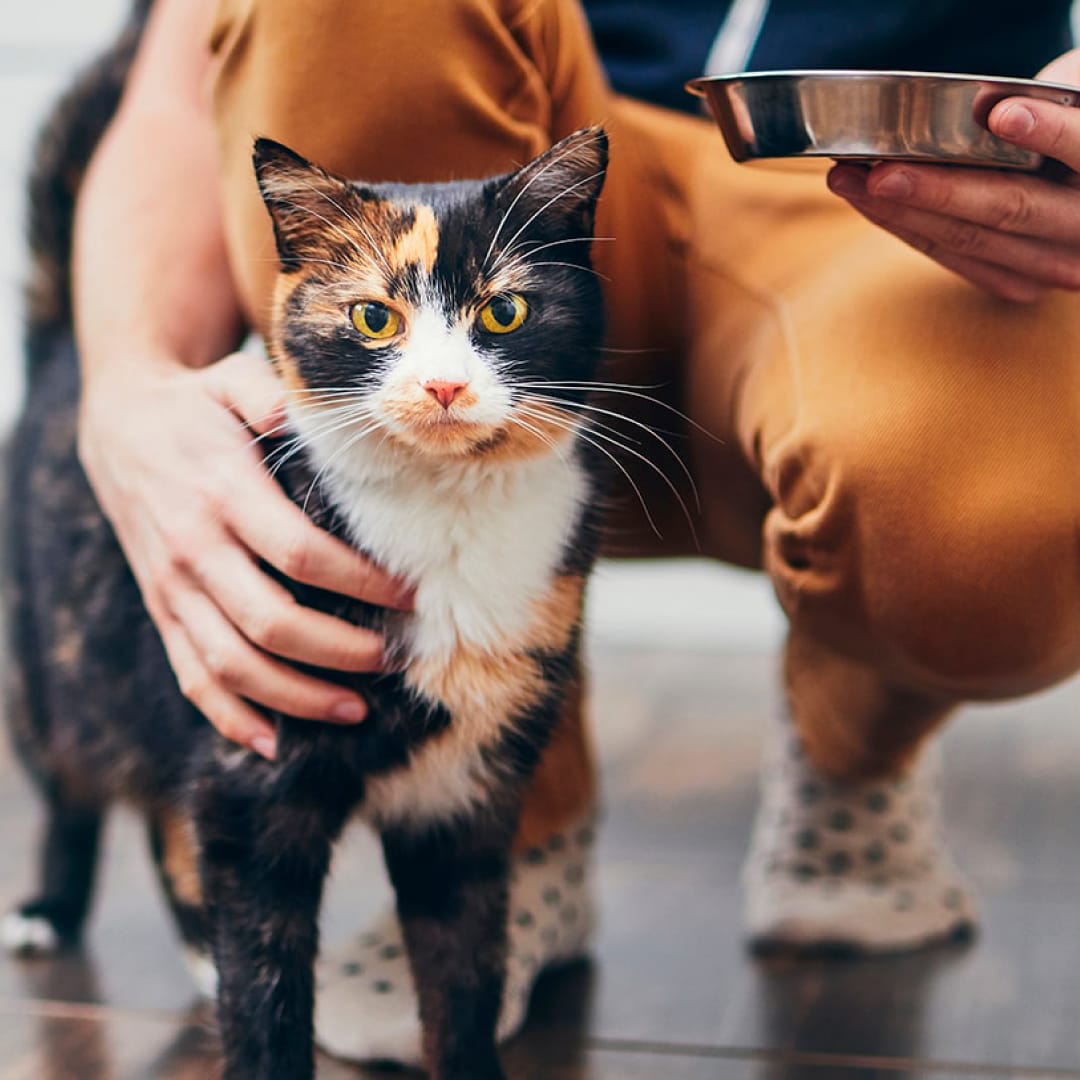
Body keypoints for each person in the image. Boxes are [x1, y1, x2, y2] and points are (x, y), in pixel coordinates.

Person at [70, 0, 1080, 1064]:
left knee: (993, 540)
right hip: (532, 149)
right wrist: (130, 384)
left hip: (905, 179)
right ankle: (512, 816)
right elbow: (175, 96)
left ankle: (853, 749)